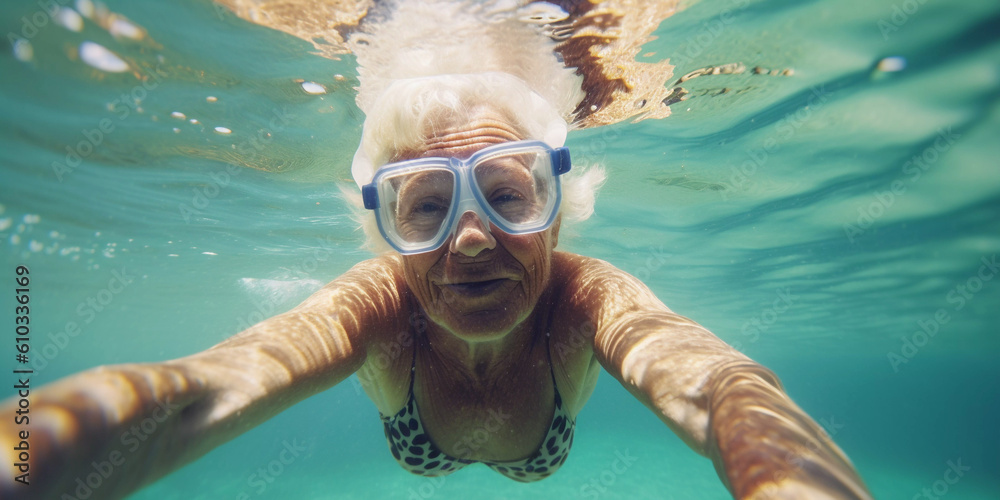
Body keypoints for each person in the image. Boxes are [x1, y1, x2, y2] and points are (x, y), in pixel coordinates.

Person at [1, 69, 872, 499]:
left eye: (506, 195)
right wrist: (24, 451)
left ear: (556, 216)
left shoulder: (583, 294)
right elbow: (203, 389)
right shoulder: (374, 307)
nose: (470, 240)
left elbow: (719, 389)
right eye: (423, 209)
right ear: (387, 235)